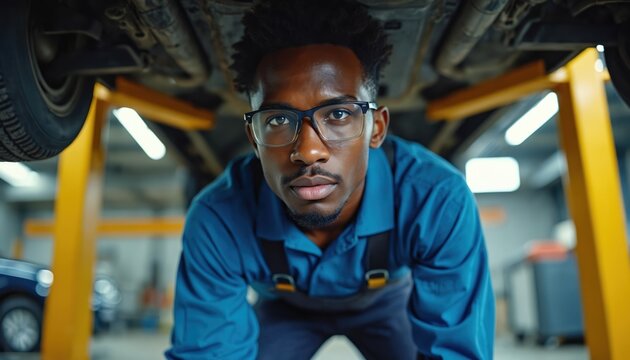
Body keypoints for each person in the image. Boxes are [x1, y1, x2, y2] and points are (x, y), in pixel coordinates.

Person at [166, 0, 494, 358]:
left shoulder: (436, 200)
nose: (308, 151)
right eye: (277, 120)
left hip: (387, 304)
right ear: (253, 139)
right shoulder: (218, 218)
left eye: (338, 113)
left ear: (377, 128)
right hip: (284, 311)